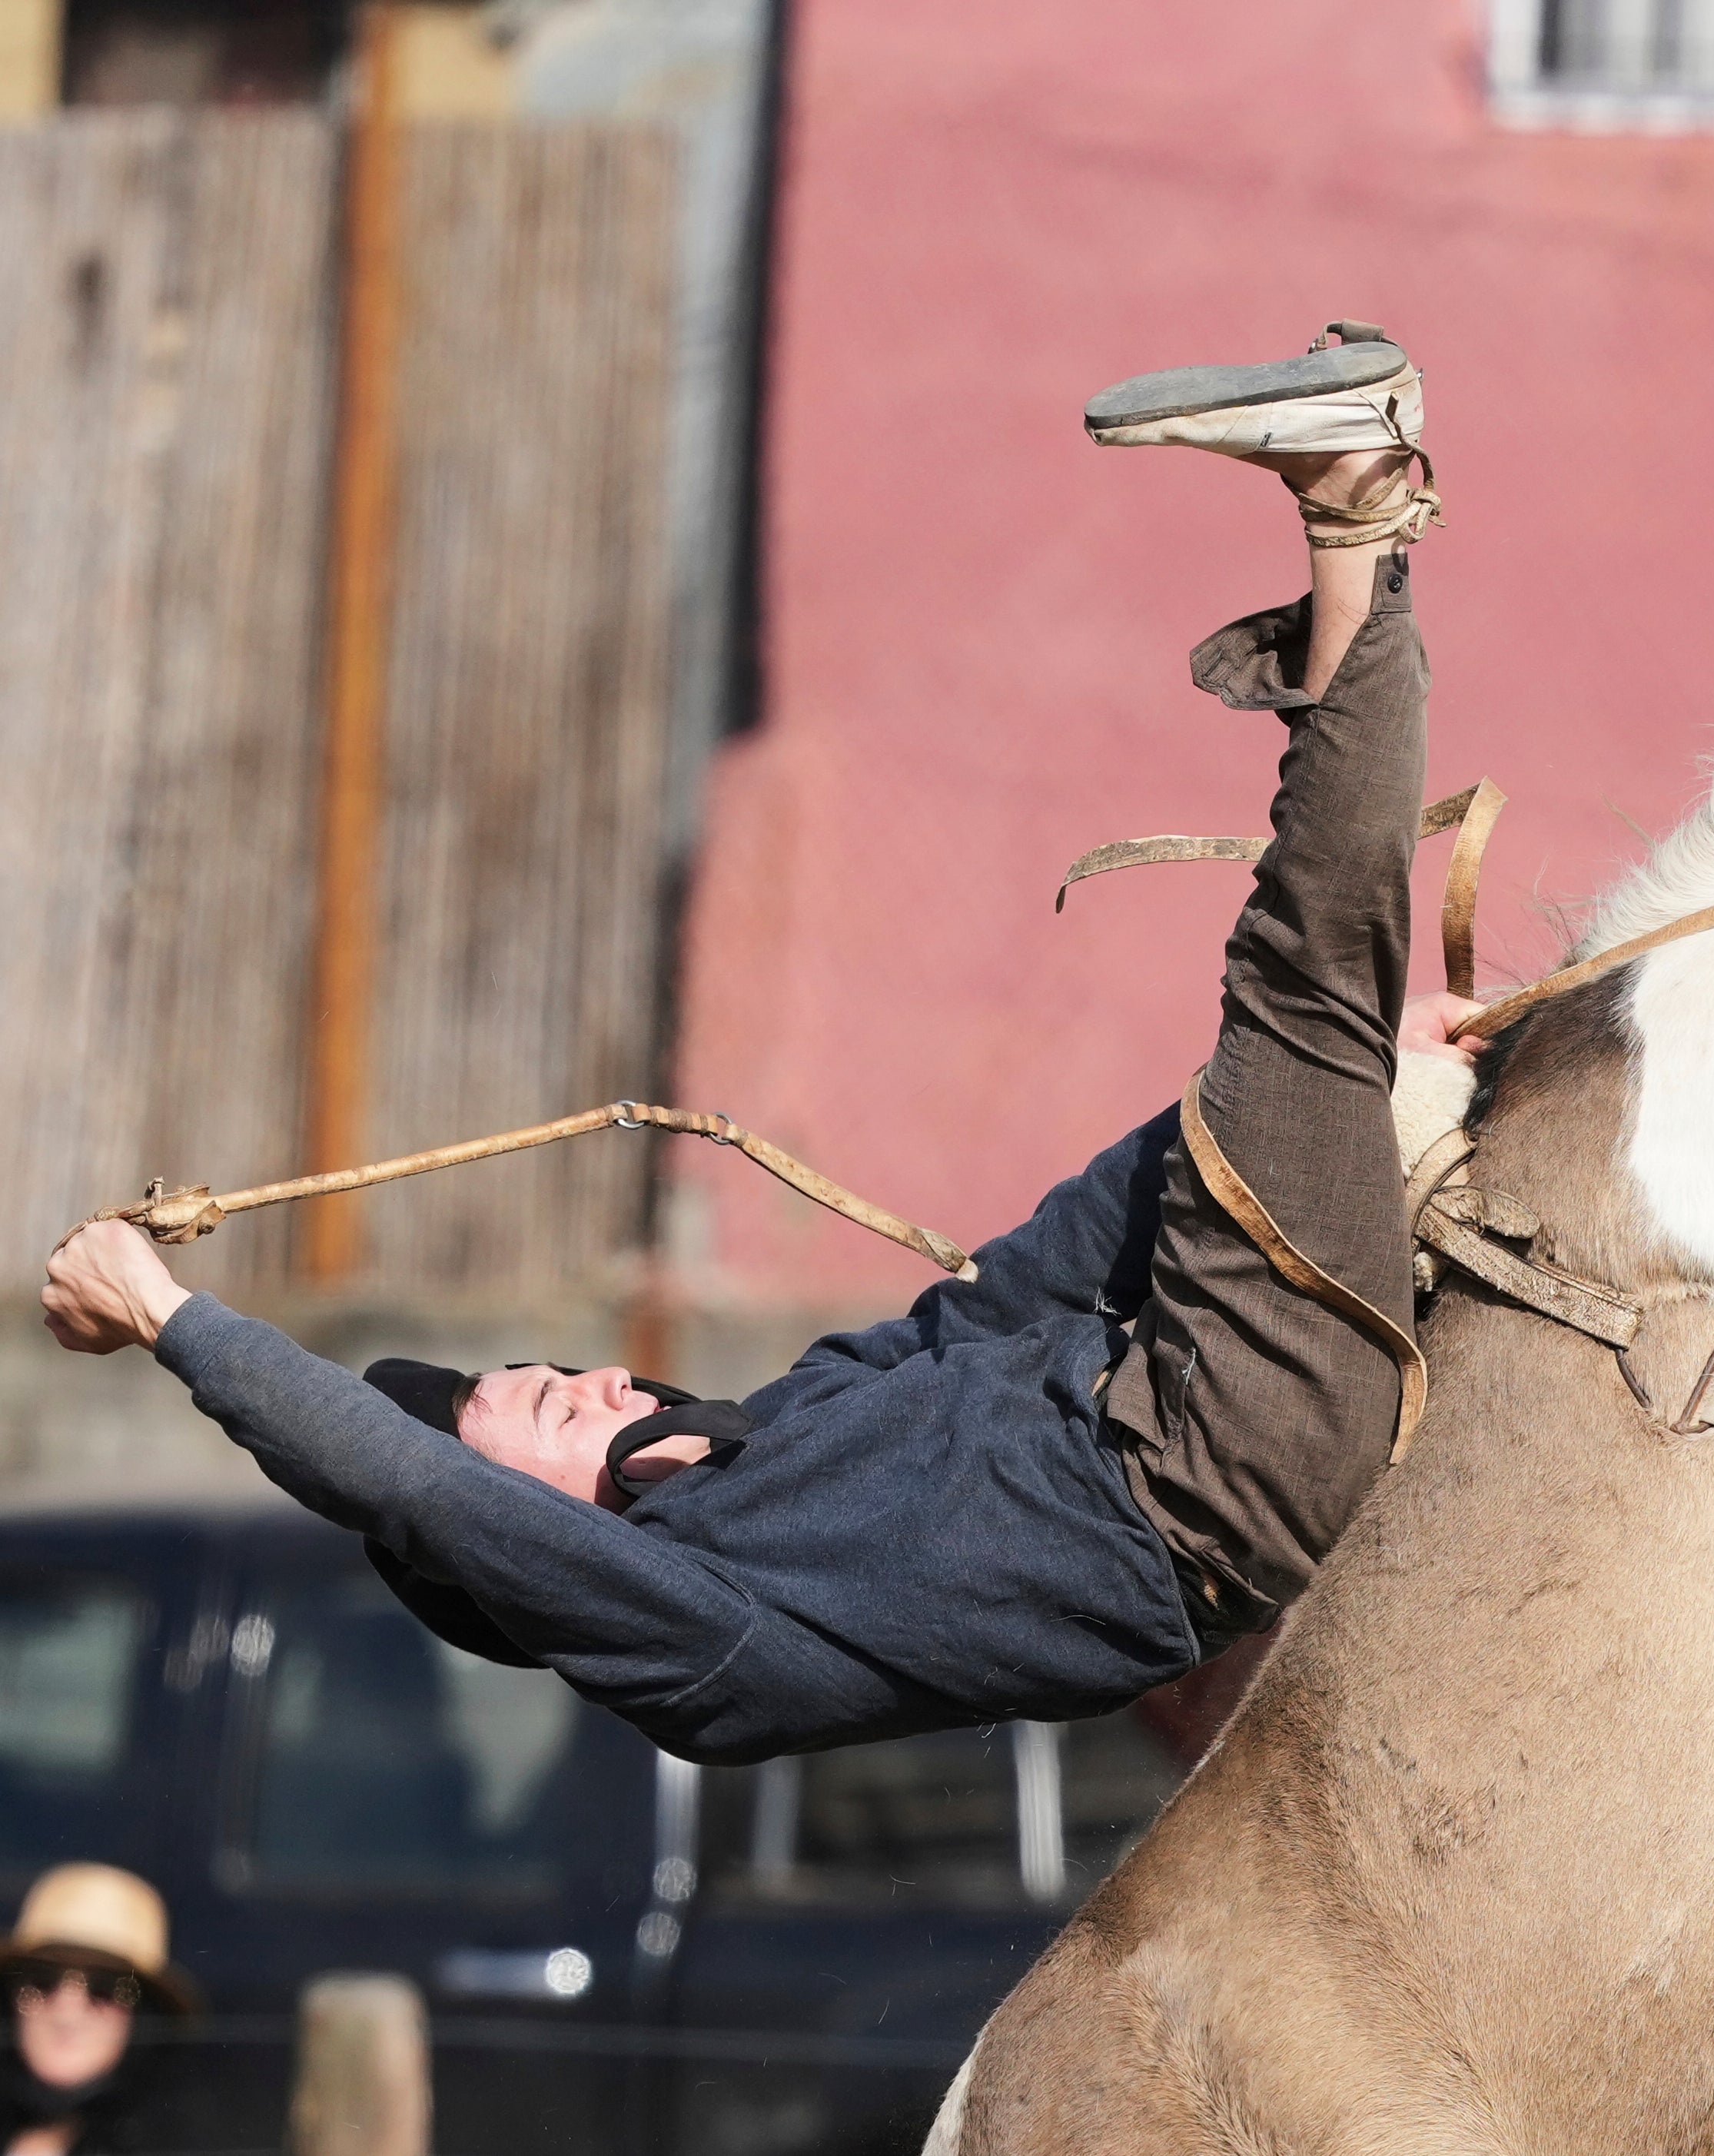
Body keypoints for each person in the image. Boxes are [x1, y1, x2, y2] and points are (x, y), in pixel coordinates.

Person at [39, 324, 1468, 1763]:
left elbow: (1019, 1286)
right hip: (1220, 1465)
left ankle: (1354, 542)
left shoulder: (806, 1413)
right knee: (1301, 966)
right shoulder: (695, 1631)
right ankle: (1354, 500)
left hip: (1201, 1371)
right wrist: (172, 1321)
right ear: (525, 1539)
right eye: (520, 1411)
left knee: (1314, 1018)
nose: (576, 1378)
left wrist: (1275, 1112)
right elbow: (418, 1495)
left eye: (550, 1373)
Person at [4, 1865, 194, 2156]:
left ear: (146, 2014)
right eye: (42, 1982)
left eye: (106, 1989)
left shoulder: (188, 2144)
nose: (66, 2014)